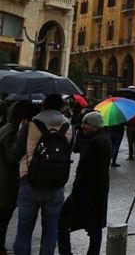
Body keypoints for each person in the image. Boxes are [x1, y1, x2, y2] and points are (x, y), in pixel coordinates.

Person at [13, 94, 73, 255]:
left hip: (29, 180)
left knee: (24, 230)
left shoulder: (30, 124)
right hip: (56, 183)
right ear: (62, 106)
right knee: (51, 230)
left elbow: (16, 153)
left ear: (44, 104)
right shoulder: (68, 126)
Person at [57, 112, 111, 255]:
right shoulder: (102, 138)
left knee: (62, 220)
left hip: (86, 192)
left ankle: (66, 252)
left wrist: (76, 189)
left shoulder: (96, 142)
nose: (82, 126)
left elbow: (86, 170)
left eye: (85, 123)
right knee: (95, 227)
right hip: (97, 192)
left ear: (93, 125)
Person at [0, 101, 28, 255]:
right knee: (3, 219)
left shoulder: (5, 128)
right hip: (6, 184)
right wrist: (22, 137)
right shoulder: (11, 132)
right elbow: (12, 157)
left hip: (4, 182)